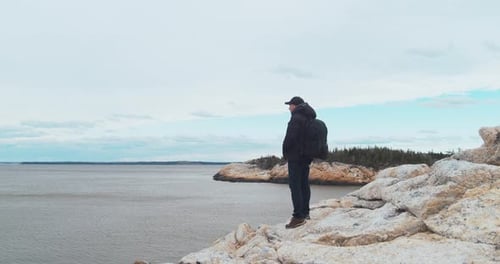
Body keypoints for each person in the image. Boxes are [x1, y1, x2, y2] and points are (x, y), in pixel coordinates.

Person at [282, 96, 316, 229]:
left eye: (290, 105)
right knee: (304, 184)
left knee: (295, 186)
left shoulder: (296, 117)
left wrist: (285, 152)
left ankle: (298, 217)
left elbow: (291, 137)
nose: (289, 108)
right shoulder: (309, 117)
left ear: (295, 105)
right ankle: (305, 212)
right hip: (306, 156)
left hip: (296, 156)